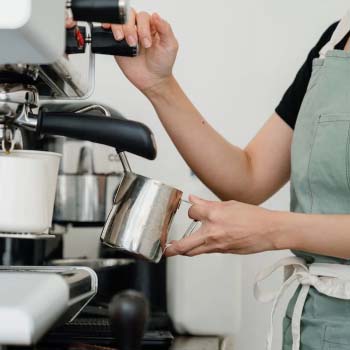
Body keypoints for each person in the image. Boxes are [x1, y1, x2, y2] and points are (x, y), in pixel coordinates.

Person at [70, 8, 350, 350]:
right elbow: (249, 177)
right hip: (311, 327)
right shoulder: (336, 38)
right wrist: (159, 84)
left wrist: (274, 230)